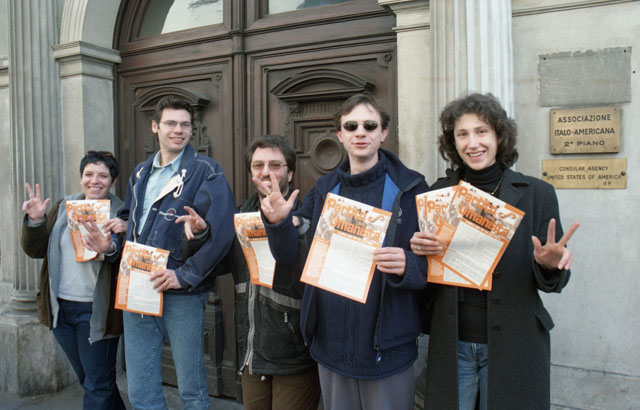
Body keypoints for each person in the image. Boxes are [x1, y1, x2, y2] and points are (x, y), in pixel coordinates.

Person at [254, 94, 429, 410]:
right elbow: (290, 257)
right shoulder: (324, 189)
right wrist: (279, 223)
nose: (360, 132)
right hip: (332, 345)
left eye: (369, 125)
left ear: (383, 133)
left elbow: (435, 262)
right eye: (351, 126)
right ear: (340, 134)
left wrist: (408, 264)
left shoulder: (412, 188)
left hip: (387, 347)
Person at [410, 93, 580, 410]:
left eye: (481, 131)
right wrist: (418, 250)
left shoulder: (537, 194)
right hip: (453, 343)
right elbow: (423, 276)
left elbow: (553, 282)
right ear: (453, 142)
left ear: (499, 136)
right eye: (463, 134)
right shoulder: (438, 194)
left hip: (515, 342)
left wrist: (549, 265)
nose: (473, 143)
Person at [84, 95, 237, 409]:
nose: (178, 130)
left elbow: (223, 233)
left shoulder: (206, 171)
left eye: (185, 125)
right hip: (137, 288)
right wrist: (111, 247)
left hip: (182, 294)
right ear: (155, 126)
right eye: (171, 123)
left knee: (192, 391)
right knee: (142, 391)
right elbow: (132, 225)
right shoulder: (141, 173)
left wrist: (185, 275)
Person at [182, 135, 321, 410]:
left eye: (275, 165)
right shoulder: (239, 218)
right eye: (258, 165)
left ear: (290, 173)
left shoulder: (308, 218)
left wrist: (288, 227)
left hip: (294, 354)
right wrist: (201, 235)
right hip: (251, 351)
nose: (266, 172)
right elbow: (218, 265)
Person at [21, 150, 127, 410]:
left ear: (113, 180)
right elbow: (36, 250)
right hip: (61, 310)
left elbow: (125, 255)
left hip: (97, 312)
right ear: (81, 178)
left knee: (97, 384)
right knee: (91, 380)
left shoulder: (123, 214)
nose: (94, 181)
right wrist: (36, 220)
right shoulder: (62, 208)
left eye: (103, 176)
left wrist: (109, 247)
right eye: (89, 174)